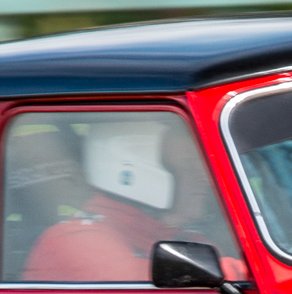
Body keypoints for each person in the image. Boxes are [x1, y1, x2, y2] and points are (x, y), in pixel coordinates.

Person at [17, 116, 246, 283]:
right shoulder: (74, 241)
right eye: (189, 164)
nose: (205, 178)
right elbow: (150, 292)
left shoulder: (183, 237)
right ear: (134, 167)